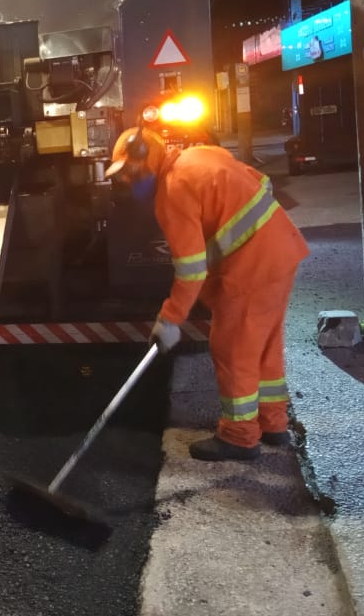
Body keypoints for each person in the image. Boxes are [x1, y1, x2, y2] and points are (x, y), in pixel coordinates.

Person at [105, 126, 309, 462]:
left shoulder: (171, 191)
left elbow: (191, 269)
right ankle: (273, 425)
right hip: (282, 251)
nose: (126, 181)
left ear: (146, 161)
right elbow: (262, 183)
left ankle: (240, 437)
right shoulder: (200, 155)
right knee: (265, 346)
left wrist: (170, 319)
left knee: (233, 349)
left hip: (252, 269)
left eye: (129, 172)